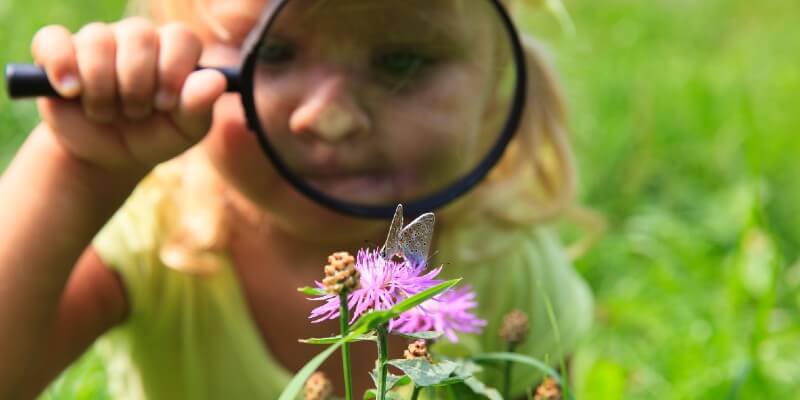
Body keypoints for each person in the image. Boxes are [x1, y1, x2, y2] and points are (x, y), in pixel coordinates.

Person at [0, 0, 593, 398]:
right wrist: (78, 170)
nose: (330, 119)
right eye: (275, 54)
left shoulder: (506, 260)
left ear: (497, 91)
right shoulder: (158, 232)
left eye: (402, 61)